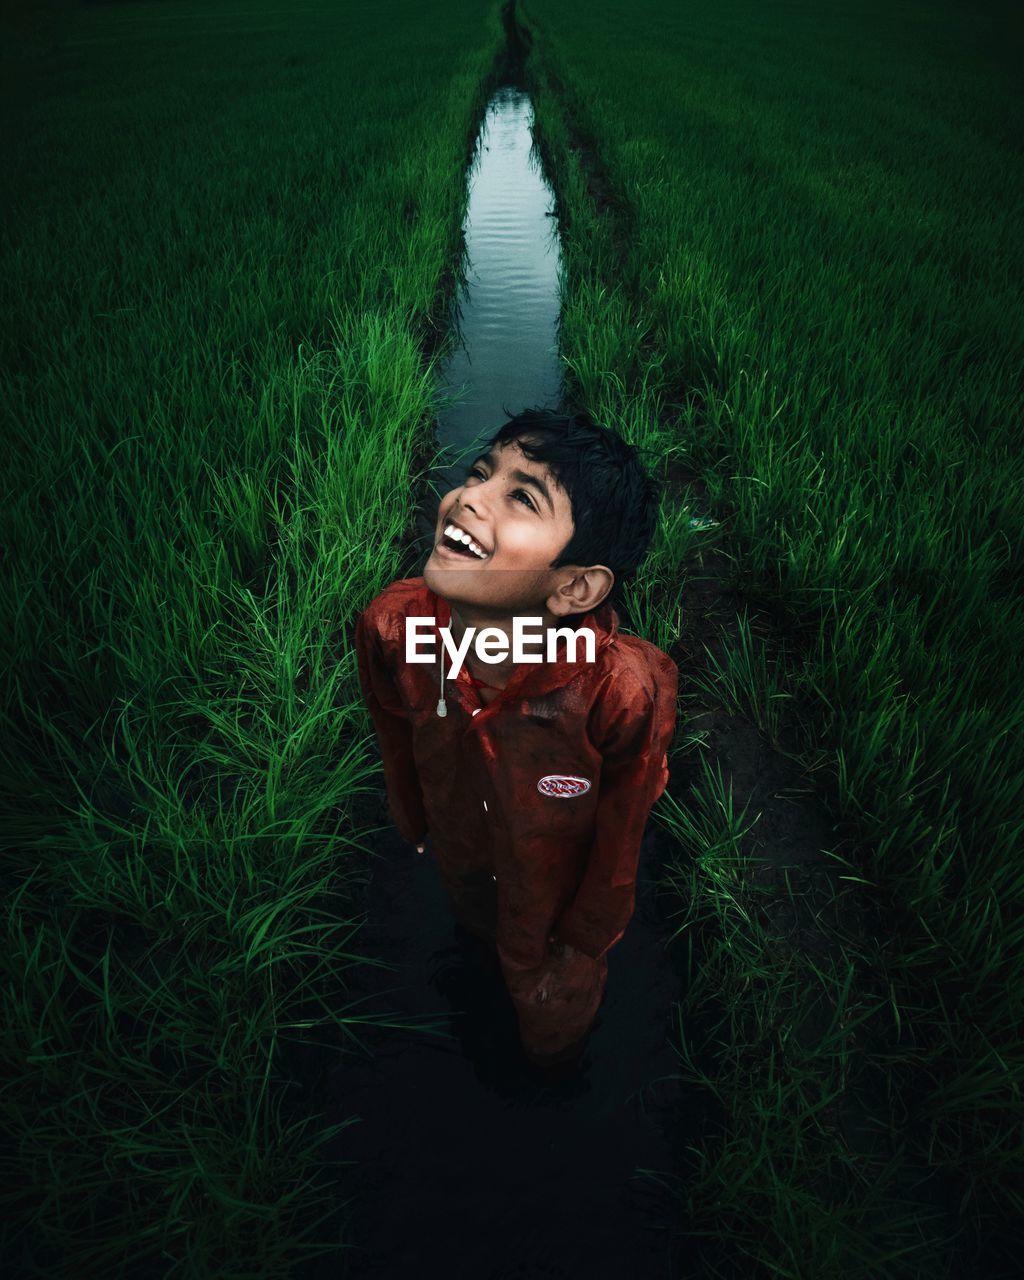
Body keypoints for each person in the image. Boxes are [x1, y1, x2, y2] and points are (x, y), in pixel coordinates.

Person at [354, 407, 678, 1069]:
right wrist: (410, 811)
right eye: (478, 472)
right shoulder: (392, 627)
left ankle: (550, 1077)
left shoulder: (621, 691)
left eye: (521, 496)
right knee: (477, 928)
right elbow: (392, 725)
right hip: (461, 847)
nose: (467, 497)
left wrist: (584, 941)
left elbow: (624, 826)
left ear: (575, 586)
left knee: (549, 1010)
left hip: (556, 892)